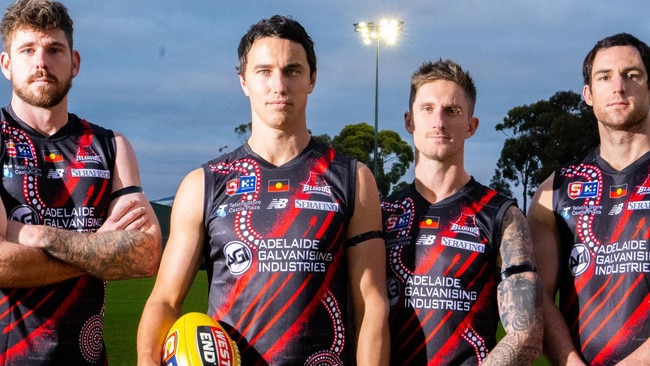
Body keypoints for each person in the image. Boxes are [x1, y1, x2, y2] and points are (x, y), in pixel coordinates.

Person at [137, 14, 389, 365]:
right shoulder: (203, 184)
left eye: (292, 71)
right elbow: (164, 300)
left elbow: (371, 305)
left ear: (312, 79)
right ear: (243, 81)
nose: (279, 85)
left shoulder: (353, 178)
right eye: (264, 71)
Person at [0, 0, 162, 364]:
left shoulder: (112, 146)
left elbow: (145, 255)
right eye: (28, 50)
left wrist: (38, 235)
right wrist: (100, 249)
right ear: (6, 65)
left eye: (54, 49)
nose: (41, 62)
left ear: (74, 62)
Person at [381, 59, 543, 365]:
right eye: (427, 109)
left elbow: (527, 334)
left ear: (471, 125)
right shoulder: (382, 214)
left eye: (452, 111)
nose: (439, 121)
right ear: (409, 121)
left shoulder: (501, 215)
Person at [527, 33, 650, 365]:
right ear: (588, 94)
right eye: (605, 77)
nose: (619, 87)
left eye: (632, 75)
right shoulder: (554, 191)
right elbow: (539, 298)